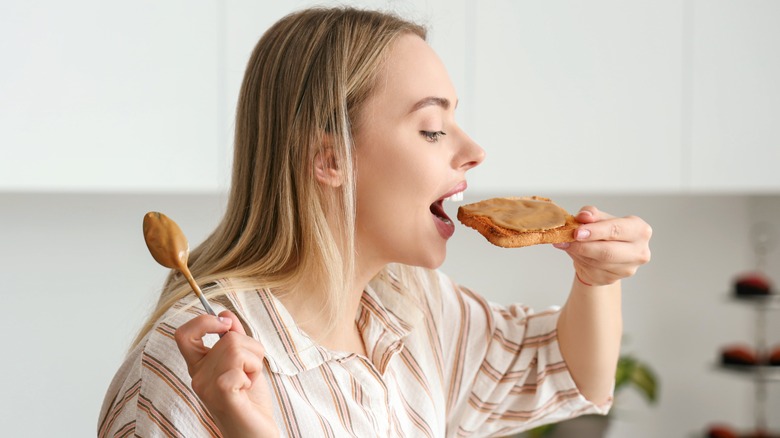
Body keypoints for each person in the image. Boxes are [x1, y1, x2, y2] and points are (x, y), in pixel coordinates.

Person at [98, 6, 652, 438]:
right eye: (433, 128)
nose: (474, 150)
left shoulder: (414, 309)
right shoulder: (196, 364)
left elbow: (567, 374)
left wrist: (597, 280)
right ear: (330, 158)